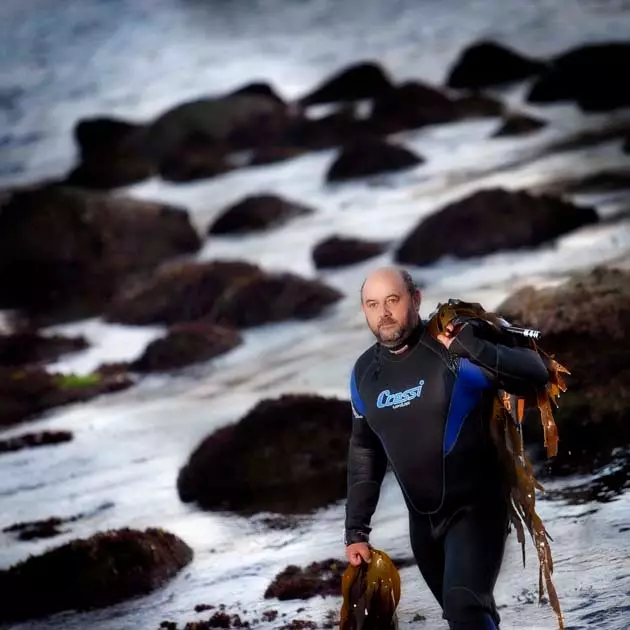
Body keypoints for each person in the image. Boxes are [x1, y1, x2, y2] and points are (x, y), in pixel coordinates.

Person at [344, 266, 550, 630]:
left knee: (465, 605)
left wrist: (476, 348)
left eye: (393, 300)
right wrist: (356, 531)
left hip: (477, 507)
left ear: (416, 299)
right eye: (373, 304)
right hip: (423, 525)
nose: (384, 313)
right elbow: (365, 451)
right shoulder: (363, 374)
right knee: (466, 616)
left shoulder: (453, 347)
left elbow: (536, 372)